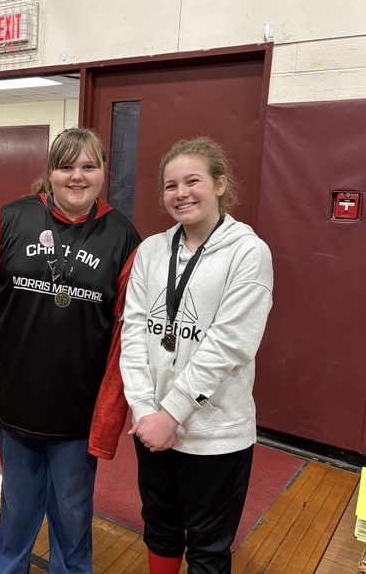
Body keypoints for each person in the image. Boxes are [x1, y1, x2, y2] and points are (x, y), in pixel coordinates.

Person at [0, 127, 140, 573]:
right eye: (66, 166)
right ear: (50, 172)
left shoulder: (122, 237)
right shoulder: (9, 219)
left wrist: (109, 414)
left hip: (77, 410)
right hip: (16, 401)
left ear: (102, 172)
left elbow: (126, 335)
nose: (76, 177)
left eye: (88, 166)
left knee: (73, 515)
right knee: (17, 509)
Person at [120, 137, 273, 574]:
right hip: (152, 427)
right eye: (171, 186)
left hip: (215, 434)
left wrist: (172, 414)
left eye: (193, 181)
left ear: (220, 184)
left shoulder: (248, 252)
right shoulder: (151, 250)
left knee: (208, 545)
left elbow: (230, 344)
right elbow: (133, 332)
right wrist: (146, 410)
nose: (181, 193)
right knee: (160, 527)